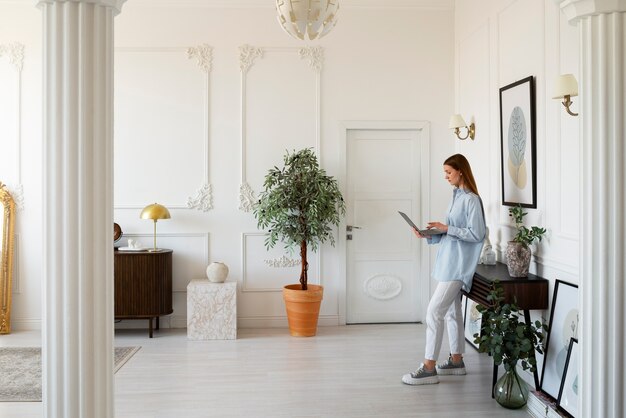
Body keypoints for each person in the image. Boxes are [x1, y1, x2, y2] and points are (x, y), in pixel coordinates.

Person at [402, 153, 486, 385]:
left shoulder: (471, 200)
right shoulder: (455, 197)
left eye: (449, 172)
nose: (446, 177)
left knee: (433, 312)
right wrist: (431, 233)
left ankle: (429, 367)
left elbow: (477, 234)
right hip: (449, 261)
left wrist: (446, 227)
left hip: (458, 266)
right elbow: (452, 233)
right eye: (445, 173)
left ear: (461, 171)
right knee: (451, 312)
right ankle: (456, 360)